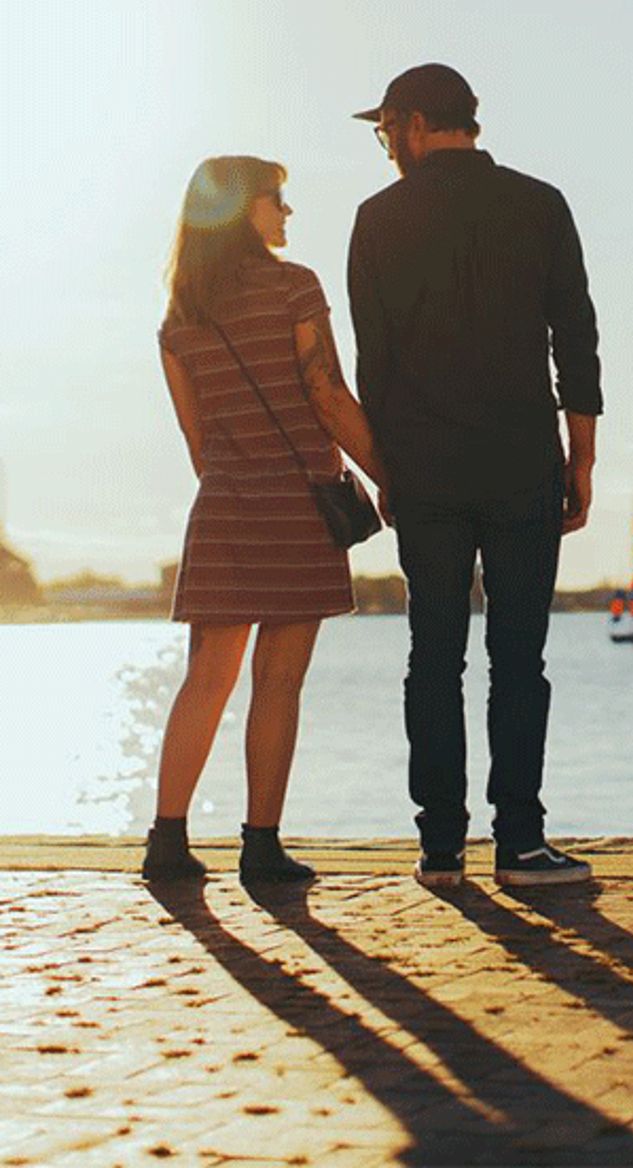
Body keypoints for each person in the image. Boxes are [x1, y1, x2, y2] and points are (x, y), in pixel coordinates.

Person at [349, 64, 601, 888]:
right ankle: (521, 843)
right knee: (519, 660)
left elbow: (374, 365)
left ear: (417, 123)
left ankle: (440, 846)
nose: (385, 146)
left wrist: (389, 470)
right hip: (523, 461)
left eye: (386, 129)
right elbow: (577, 341)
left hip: (425, 472)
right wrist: (582, 457)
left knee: (434, 658)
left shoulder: (377, 220)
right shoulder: (539, 204)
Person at [145, 156, 390, 884]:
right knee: (278, 682)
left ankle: (167, 841)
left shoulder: (177, 321)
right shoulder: (294, 287)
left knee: (204, 681)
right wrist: (392, 478)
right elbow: (328, 395)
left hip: (222, 508)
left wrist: (234, 482)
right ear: (241, 211)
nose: (287, 214)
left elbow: (195, 439)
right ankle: (261, 845)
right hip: (298, 509)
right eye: (277, 200)